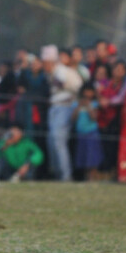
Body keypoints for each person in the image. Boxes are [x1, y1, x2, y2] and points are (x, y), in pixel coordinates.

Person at [43, 45, 82, 181]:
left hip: (65, 107)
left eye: (46, 63)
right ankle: (57, 174)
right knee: (51, 141)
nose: (45, 66)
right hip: (54, 107)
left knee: (59, 140)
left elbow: (78, 87)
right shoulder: (50, 73)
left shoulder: (64, 71)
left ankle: (66, 175)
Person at [72, 84, 102, 181]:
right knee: (84, 157)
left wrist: (88, 106)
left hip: (91, 133)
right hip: (81, 134)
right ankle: (86, 177)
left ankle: (92, 177)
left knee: (92, 157)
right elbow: (73, 119)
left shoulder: (94, 104)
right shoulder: (77, 104)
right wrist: (79, 107)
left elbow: (94, 118)